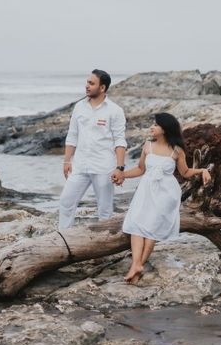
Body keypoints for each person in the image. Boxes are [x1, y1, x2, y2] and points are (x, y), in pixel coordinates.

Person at [119, 112, 211, 284]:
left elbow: (185, 172)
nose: (152, 127)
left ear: (165, 129)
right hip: (146, 190)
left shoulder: (177, 150)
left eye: (156, 125)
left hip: (166, 193)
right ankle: (137, 266)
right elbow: (140, 169)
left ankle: (137, 267)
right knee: (136, 224)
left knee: (152, 228)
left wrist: (203, 170)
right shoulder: (147, 145)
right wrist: (122, 174)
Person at [59, 70, 128, 230]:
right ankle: (63, 238)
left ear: (102, 88)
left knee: (105, 211)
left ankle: (105, 246)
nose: (87, 86)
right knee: (66, 202)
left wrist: (120, 168)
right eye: (87, 82)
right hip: (80, 165)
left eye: (91, 83)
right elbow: (72, 135)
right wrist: (67, 160)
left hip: (104, 167)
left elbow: (120, 140)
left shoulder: (115, 110)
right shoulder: (79, 107)